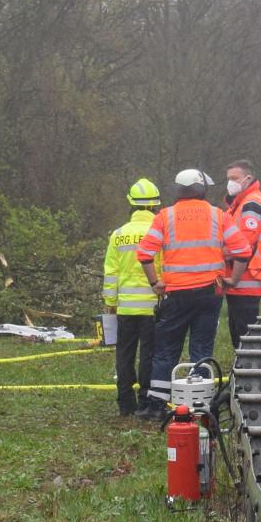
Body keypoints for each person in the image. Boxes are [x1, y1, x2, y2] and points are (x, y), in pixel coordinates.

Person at [136, 169, 253, 419]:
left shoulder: (164, 217)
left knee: (166, 350)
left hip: (176, 295)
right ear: (202, 189)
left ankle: (157, 405)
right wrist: (232, 279)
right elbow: (243, 250)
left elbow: (145, 254)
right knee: (201, 348)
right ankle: (200, 404)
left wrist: (155, 282)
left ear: (178, 190)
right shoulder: (218, 216)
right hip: (209, 293)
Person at [103, 177, 162, 416]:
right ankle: (146, 401)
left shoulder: (118, 234)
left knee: (125, 353)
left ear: (131, 204)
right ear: (154, 206)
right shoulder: (159, 232)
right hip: (153, 307)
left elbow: (111, 273)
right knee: (149, 354)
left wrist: (110, 303)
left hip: (125, 309)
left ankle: (125, 404)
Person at [221, 159, 261, 346]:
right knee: (239, 333)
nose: (230, 182)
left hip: (247, 277)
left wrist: (216, 254)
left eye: (234, 178)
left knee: (245, 336)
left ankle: (249, 372)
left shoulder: (251, 204)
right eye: (228, 178)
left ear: (248, 178)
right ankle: (243, 371)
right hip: (241, 278)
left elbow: (244, 243)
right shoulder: (240, 204)